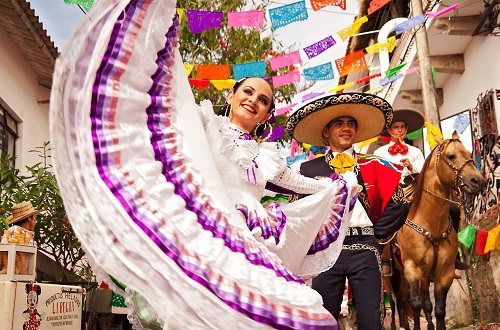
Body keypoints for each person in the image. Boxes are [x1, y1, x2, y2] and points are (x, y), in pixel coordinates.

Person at [48, 1, 358, 328]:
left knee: (263, 310)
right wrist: (153, 33)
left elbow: (304, 185)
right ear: (233, 96)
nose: (253, 100)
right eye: (248, 92)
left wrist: (340, 185)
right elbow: (167, 102)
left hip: (251, 235)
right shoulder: (205, 124)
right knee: (190, 309)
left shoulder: (269, 157)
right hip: (204, 227)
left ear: (267, 115)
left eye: (263, 100)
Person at [285, 93, 410, 329]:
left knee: (371, 319)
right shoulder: (307, 169)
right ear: (326, 132)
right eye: (339, 123)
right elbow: (294, 210)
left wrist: (376, 234)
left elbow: (400, 202)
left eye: (351, 123)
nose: (346, 128)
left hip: (365, 248)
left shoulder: (373, 163)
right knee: (324, 318)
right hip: (325, 251)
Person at [373, 108, 425, 184]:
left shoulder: (416, 151)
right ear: (389, 130)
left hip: (412, 190)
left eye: (402, 127)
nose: (400, 130)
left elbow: (424, 174)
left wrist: (411, 167)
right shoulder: (379, 153)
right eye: (396, 127)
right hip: (389, 191)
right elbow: (375, 176)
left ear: (406, 129)